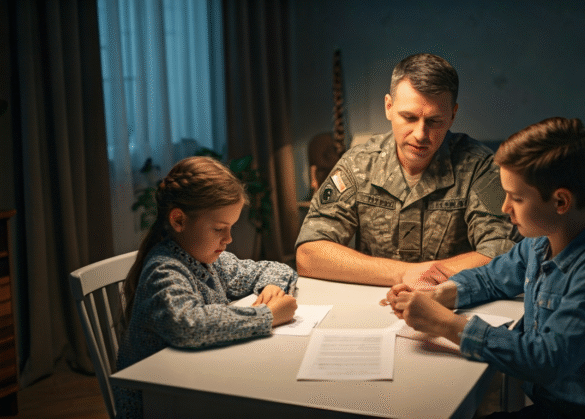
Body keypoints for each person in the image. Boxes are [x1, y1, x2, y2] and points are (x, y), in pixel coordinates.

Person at [385, 117, 585, 418]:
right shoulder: (541, 242)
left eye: (516, 197)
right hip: (553, 407)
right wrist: (439, 295)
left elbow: (545, 359)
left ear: (561, 202)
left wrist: (445, 324)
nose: (504, 208)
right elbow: (491, 279)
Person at [296, 53, 519, 287]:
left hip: (452, 305)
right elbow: (309, 255)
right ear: (389, 107)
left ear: (452, 115)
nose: (421, 134)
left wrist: (428, 275)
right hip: (374, 305)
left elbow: (504, 253)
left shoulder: (480, 168)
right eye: (409, 117)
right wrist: (403, 274)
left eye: (434, 121)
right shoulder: (357, 164)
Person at [115, 156, 298, 419]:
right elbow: (188, 324)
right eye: (219, 228)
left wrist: (271, 287)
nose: (229, 238)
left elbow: (276, 269)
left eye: (231, 228)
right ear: (179, 221)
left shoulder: (210, 260)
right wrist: (267, 316)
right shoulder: (164, 269)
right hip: (160, 402)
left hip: (194, 383)